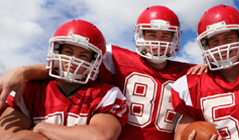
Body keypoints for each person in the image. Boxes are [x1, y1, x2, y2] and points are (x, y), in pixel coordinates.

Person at [0, 5, 207, 140]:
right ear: (138, 34)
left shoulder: (191, 73)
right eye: (151, 34)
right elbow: (71, 67)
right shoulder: (113, 57)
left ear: (176, 38)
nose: (157, 42)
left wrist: (210, 70)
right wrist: (23, 70)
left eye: (165, 36)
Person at [0, 19, 128, 139]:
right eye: (68, 52)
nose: (73, 60)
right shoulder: (30, 89)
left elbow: (99, 136)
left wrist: (42, 127)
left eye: (83, 55)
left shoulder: (106, 95)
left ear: (94, 61)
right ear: (57, 52)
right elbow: (7, 136)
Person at [171, 4, 239, 140]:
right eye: (214, 41)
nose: (222, 46)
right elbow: (180, 136)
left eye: (228, 38)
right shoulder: (194, 84)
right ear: (205, 46)